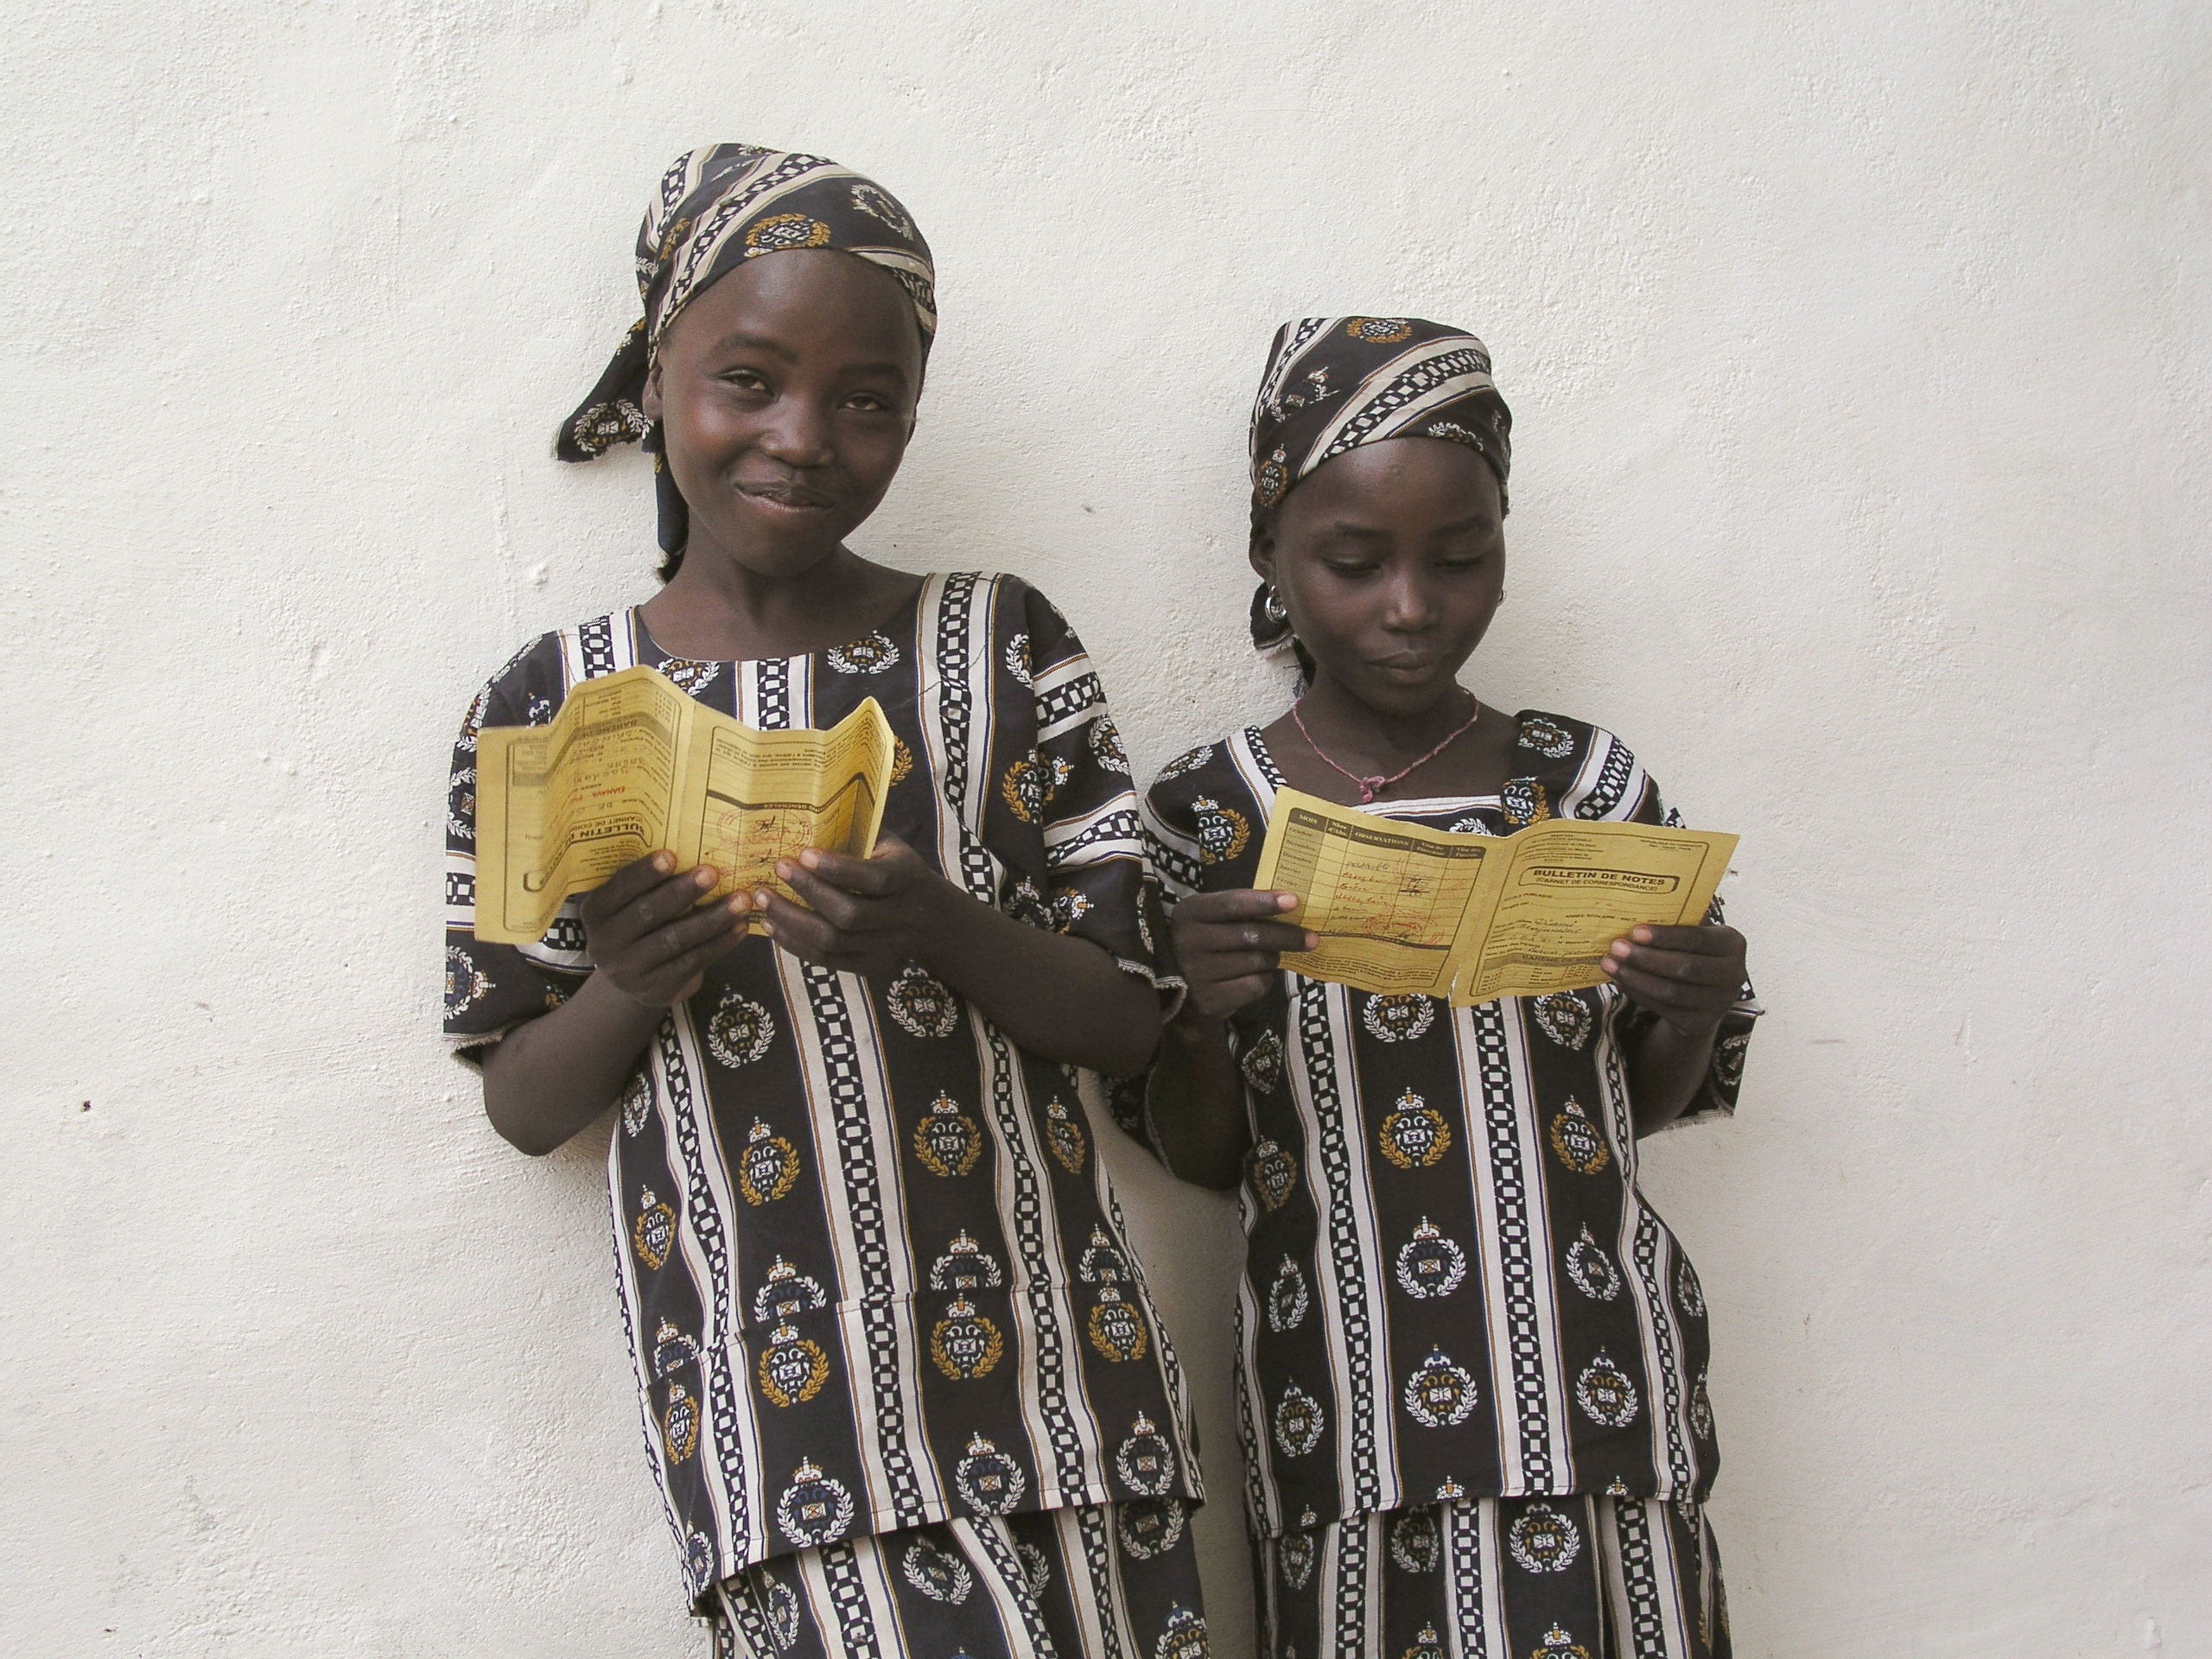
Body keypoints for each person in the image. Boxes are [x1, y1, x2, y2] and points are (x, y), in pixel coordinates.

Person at [442, 144, 1209, 1659]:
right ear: (655, 379)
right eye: (748, 381)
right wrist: (631, 981)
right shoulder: (555, 705)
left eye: (867, 401)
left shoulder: (1001, 646)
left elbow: (1132, 1020)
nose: (802, 438)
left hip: (1070, 1403)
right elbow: (523, 1103)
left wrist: (941, 927)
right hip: (786, 1442)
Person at [1130, 316, 1758, 1659]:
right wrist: (1202, 1019)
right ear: (1270, 553)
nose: (1411, 606)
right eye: (1354, 563)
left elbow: (1635, 1108)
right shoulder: (1207, 815)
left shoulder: (1588, 787)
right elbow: (1202, 1152)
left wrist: (1694, 1001)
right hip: (1350, 1408)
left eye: (1461, 558)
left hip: (1599, 1385)